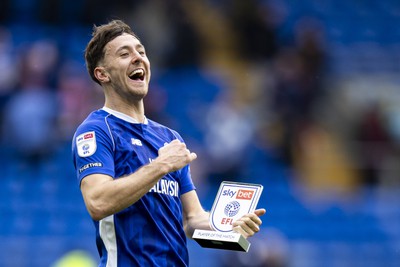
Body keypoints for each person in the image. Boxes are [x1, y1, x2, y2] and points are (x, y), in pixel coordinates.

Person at [72, 19, 266, 266]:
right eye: (124, 54)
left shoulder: (170, 138)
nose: (138, 58)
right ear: (102, 74)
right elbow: (98, 202)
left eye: (141, 52)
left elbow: (192, 220)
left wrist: (227, 226)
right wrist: (160, 166)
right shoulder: (96, 130)